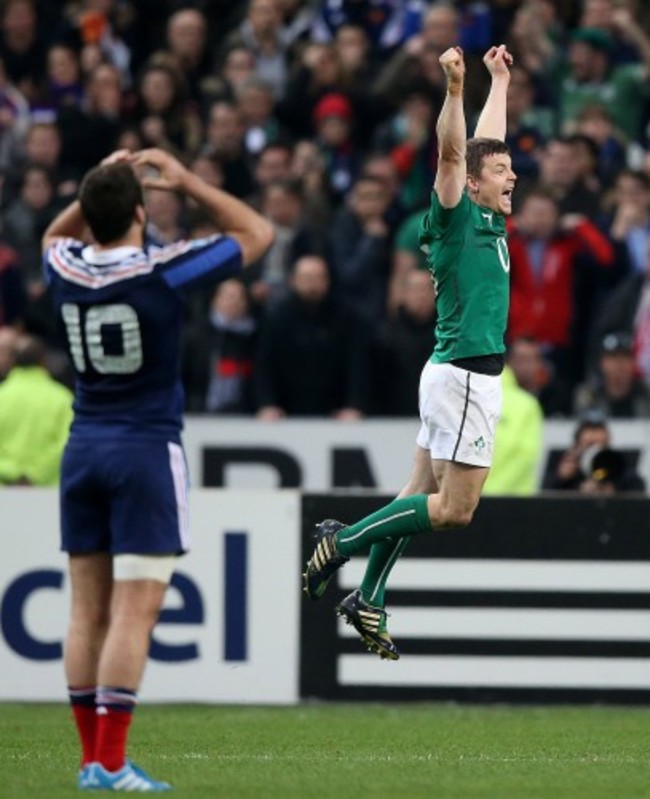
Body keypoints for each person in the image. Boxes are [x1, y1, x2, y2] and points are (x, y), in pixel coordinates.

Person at [41, 147, 273, 791]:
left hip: (83, 445)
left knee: (85, 613)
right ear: (141, 213)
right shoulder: (159, 270)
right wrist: (189, 180)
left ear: (89, 215)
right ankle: (111, 765)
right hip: (144, 450)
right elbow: (258, 232)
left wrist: (97, 185)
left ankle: (93, 761)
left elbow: (53, 235)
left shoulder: (65, 264)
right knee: (133, 614)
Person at [303, 44, 516, 660]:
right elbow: (457, 155)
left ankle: (367, 596)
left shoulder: (489, 217)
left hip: (453, 371)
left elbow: (481, 149)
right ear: (474, 185)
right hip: (466, 378)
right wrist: (454, 89)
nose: (512, 178)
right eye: (503, 174)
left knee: (412, 495)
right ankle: (338, 545)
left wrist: (496, 81)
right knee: (452, 510)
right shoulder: (453, 216)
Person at [0, 333, 73, 485]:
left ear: (13, 361)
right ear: (43, 360)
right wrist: (32, 475)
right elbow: (67, 444)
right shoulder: (63, 399)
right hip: (48, 495)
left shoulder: (2, 396)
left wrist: (11, 473)